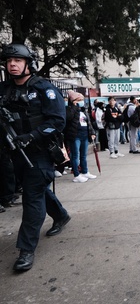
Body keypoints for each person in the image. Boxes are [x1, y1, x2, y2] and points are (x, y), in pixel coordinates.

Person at [0, 43, 71, 271]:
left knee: (32, 198)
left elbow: (57, 122)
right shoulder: (3, 90)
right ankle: (60, 215)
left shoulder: (44, 88)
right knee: (37, 188)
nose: (12, 64)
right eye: (9, 61)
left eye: (17, 60)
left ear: (28, 63)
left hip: (39, 152)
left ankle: (26, 249)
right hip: (14, 153)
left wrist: (31, 136)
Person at [64, 90, 97, 183]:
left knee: (83, 155)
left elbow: (88, 122)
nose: (82, 101)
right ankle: (76, 174)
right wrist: (74, 106)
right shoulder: (69, 109)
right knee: (75, 155)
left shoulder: (83, 110)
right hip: (75, 135)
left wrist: (92, 132)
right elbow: (68, 118)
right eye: (80, 99)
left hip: (84, 135)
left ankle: (85, 171)